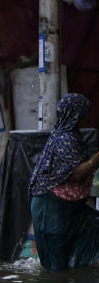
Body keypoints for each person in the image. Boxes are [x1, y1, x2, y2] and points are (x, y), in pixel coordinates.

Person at [28, 93, 99, 271]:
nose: (86, 118)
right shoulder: (64, 139)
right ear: (76, 115)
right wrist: (96, 160)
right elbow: (75, 175)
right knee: (56, 267)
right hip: (52, 210)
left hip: (67, 209)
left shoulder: (72, 136)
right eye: (84, 114)